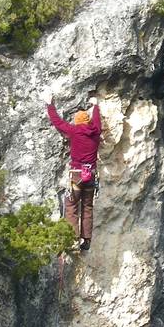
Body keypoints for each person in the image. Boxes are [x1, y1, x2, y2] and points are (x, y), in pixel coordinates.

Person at [40, 90, 101, 251]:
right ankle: (86, 240)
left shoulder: (74, 131)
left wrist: (49, 104)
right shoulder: (95, 132)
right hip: (91, 175)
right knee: (87, 206)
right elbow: (97, 121)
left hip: (77, 175)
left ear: (77, 122)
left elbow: (58, 122)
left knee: (71, 205)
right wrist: (96, 106)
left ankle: (73, 240)